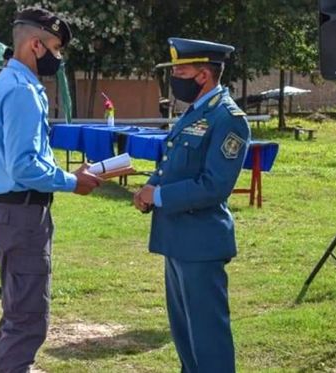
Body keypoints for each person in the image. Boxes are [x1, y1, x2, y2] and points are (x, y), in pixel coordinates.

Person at [0, 7, 102, 373]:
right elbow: (26, 166)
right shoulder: (23, 91)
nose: (58, 57)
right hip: (22, 214)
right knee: (28, 319)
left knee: (17, 311)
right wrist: (72, 181)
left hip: (4, 211)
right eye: (56, 48)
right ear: (35, 45)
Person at [133, 38, 250, 373]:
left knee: (208, 339)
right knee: (185, 337)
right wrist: (152, 185)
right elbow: (172, 162)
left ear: (203, 75)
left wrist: (158, 196)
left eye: (181, 70)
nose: (175, 77)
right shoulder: (195, 112)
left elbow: (214, 185)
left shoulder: (228, 118)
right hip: (176, 238)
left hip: (201, 241)